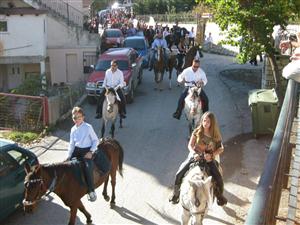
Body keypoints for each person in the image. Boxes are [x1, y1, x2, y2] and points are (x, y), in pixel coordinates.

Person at [169, 111, 227, 206]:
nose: (205, 123)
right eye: (204, 121)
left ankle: (220, 196)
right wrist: (194, 153)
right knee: (179, 173)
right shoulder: (197, 131)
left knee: (219, 178)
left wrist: (212, 155)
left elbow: (221, 148)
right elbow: (190, 145)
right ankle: (175, 195)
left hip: (208, 159)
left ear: (212, 123)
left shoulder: (215, 134)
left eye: (208, 122)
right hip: (195, 157)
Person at [66, 106, 99, 202]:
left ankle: (91, 190)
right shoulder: (73, 129)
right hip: (76, 151)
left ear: (83, 117)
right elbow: (71, 144)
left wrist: (91, 152)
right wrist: (68, 156)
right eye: (74, 118)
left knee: (87, 167)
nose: (77, 120)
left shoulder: (88, 127)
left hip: (86, 151)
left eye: (79, 117)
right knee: (68, 165)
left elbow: (95, 140)